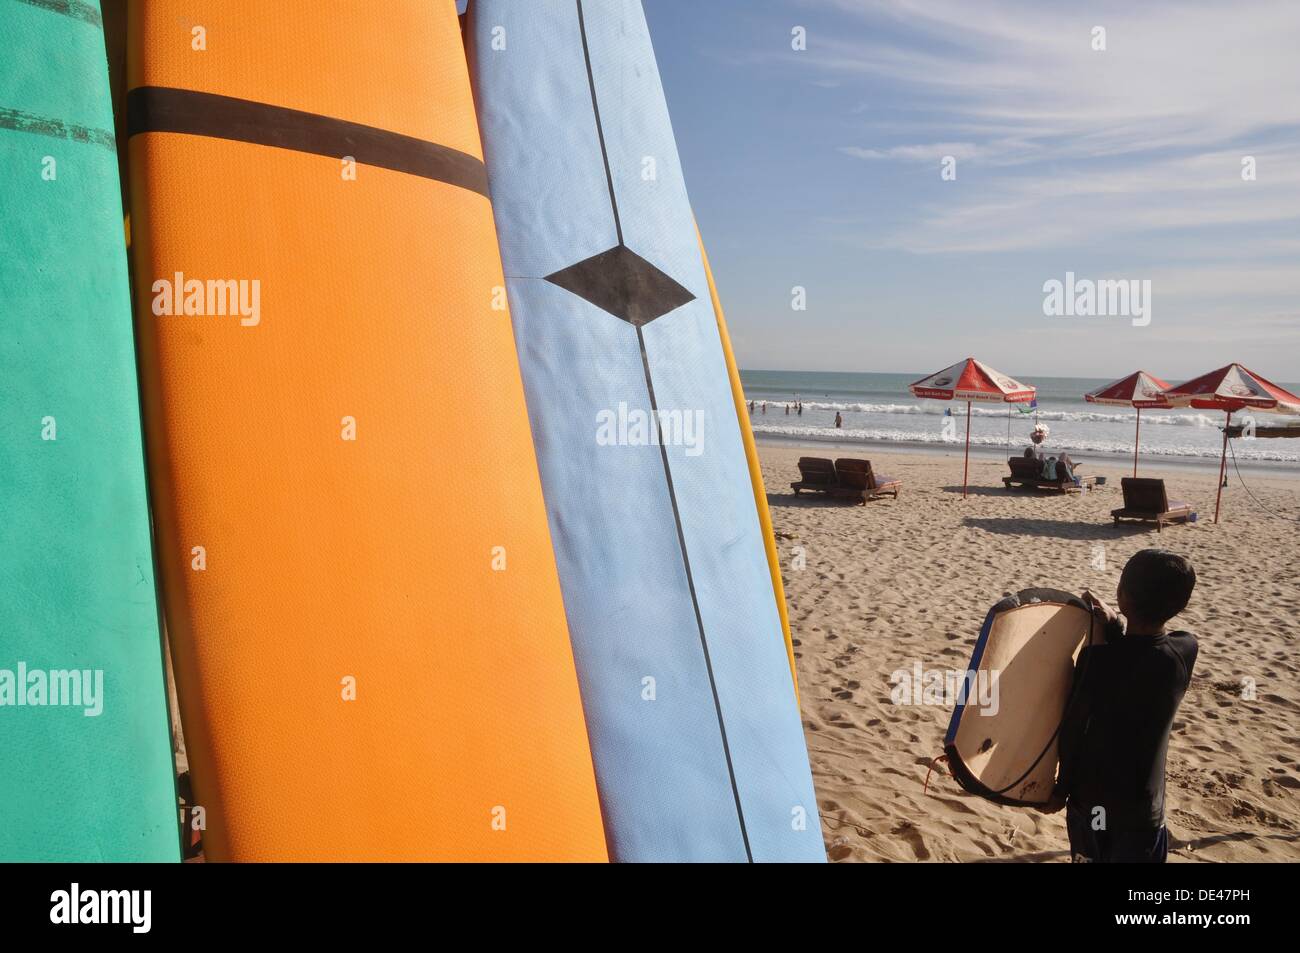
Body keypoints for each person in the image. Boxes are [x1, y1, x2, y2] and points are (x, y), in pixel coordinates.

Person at [1041, 549, 1199, 863]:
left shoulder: (1095, 661)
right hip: (1141, 813)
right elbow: (1142, 656)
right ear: (1181, 605)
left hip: (1091, 803)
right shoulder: (1184, 652)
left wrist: (1061, 789)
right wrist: (1117, 626)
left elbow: (1073, 730)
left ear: (1121, 596)